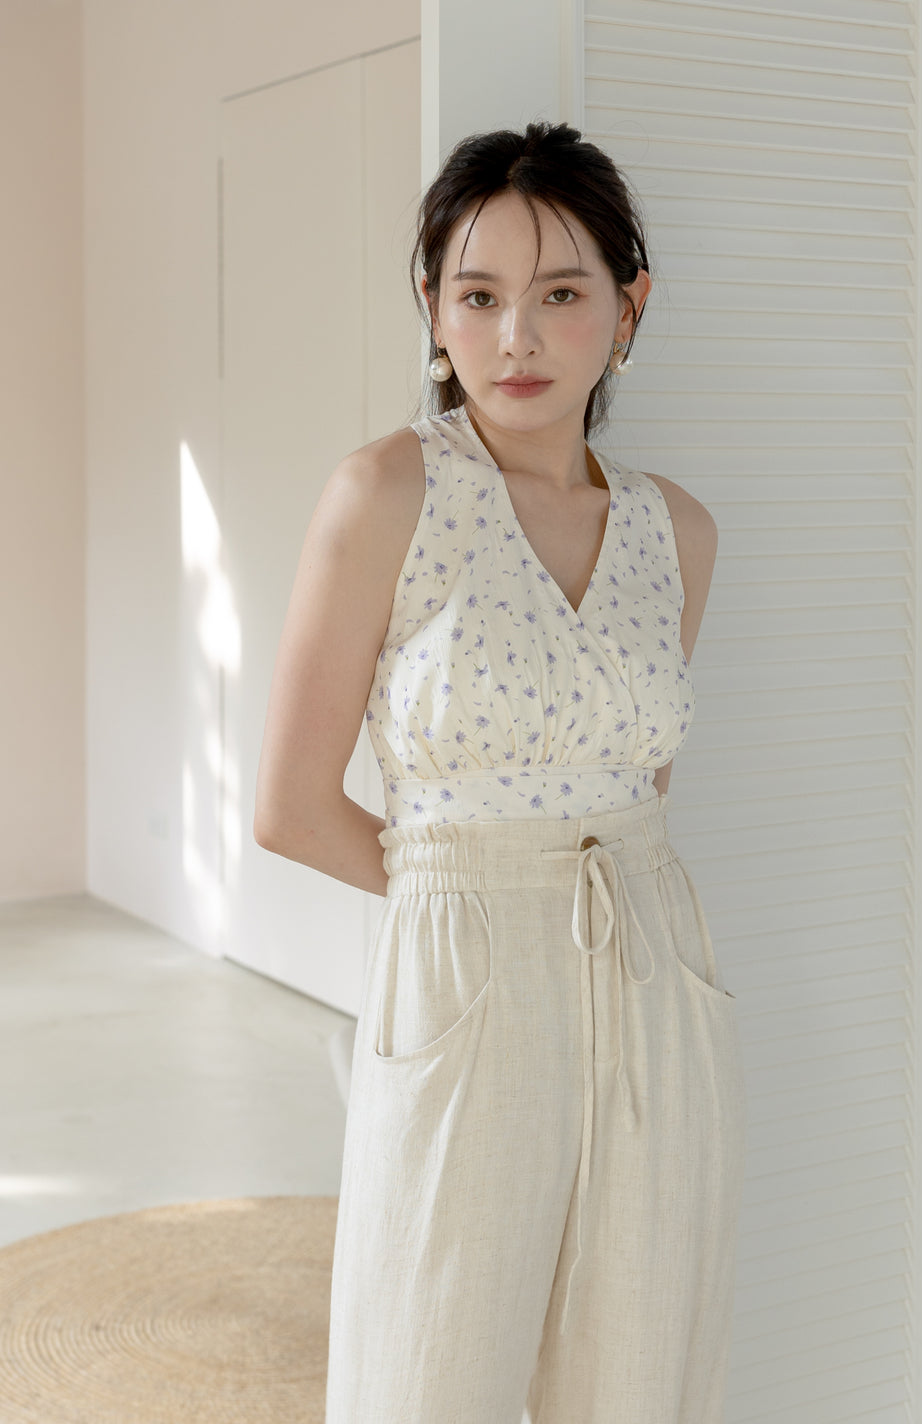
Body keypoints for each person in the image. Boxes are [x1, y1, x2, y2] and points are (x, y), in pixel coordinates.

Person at [254, 120, 747, 1424]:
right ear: (434, 309)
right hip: (466, 971)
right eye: (478, 296)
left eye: (562, 294)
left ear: (629, 308)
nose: (516, 337)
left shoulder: (677, 531)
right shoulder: (387, 494)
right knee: (430, 1372)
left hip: (652, 970)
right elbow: (289, 809)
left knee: (640, 1372)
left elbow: (635, 787)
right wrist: (465, 897)